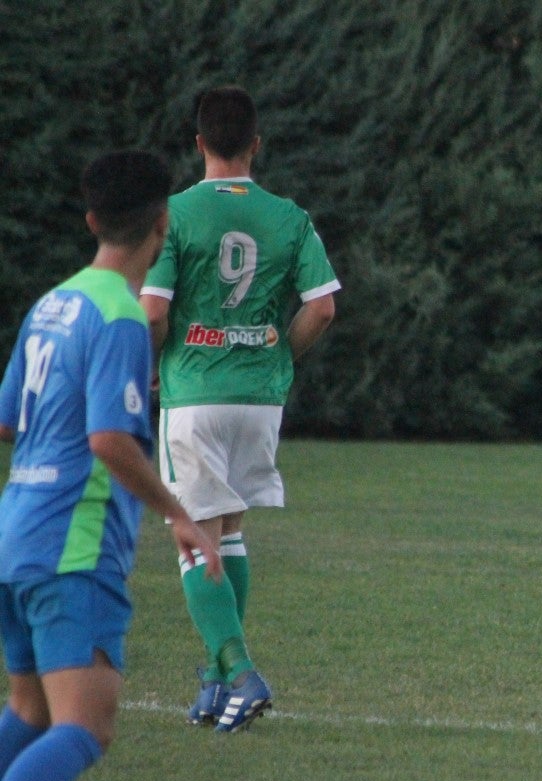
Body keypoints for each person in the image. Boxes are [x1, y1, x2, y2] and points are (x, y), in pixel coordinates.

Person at [0, 151, 221, 781]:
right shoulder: (121, 317)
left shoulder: (53, 302)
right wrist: (178, 511)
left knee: (31, 712)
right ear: (162, 225)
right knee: (85, 727)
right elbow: (109, 440)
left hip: (16, 538)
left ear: (93, 220)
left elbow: (8, 417)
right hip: (73, 545)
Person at [139, 86, 339, 732]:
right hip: (259, 397)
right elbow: (323, 306)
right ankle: (216, 677)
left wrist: (145, 370)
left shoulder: (172, 214)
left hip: (195, 393)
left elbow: (154, 310)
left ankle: (241, 669)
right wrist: (281, 355)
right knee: (229, 532)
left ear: (197, 144)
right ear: (257, 143)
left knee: (194, 538)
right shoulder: (290, 216)